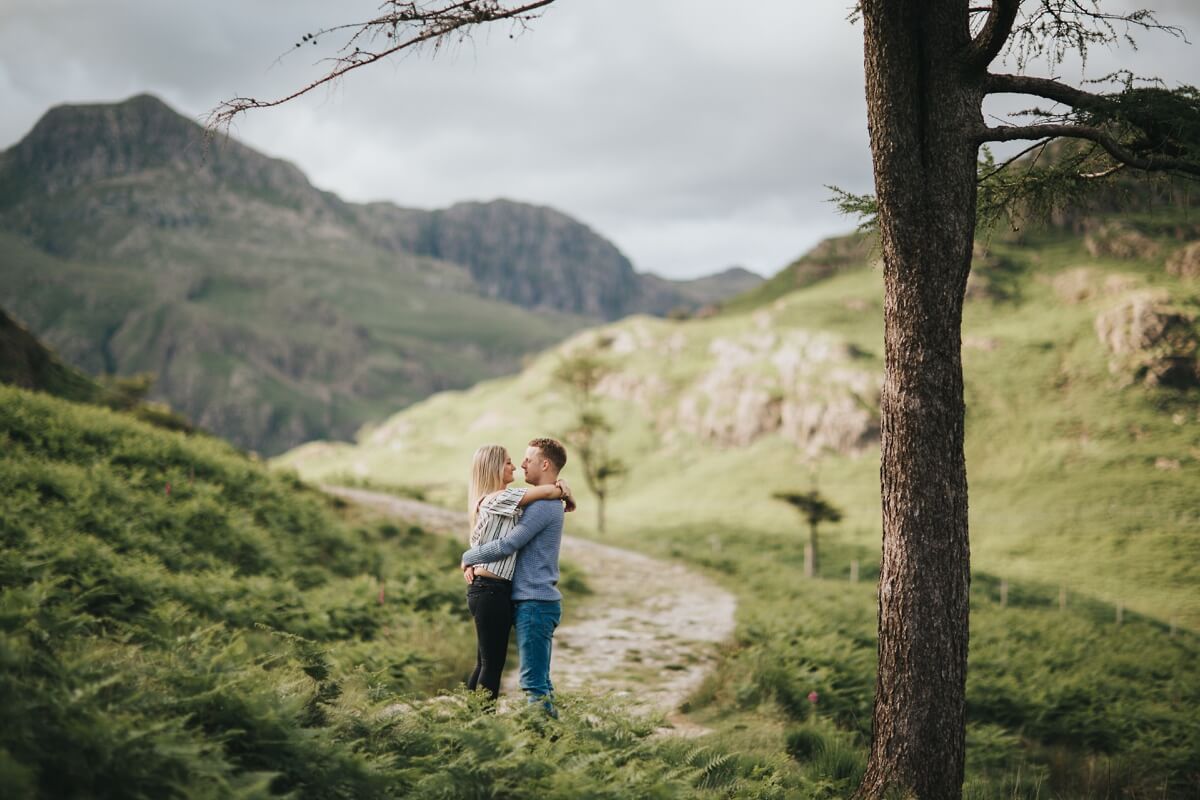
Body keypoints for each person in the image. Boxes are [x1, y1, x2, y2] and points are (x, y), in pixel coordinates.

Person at [462, 437, 570, 715]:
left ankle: (478, 725)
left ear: (544, 464)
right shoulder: (509, 500)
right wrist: (560, 490)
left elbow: (509, 544)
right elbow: (509, 542)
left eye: (525, 460)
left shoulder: (538, 504)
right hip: (494, 590)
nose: (520, 465)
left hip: (520, 597)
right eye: (511, 461)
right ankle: (479, 727)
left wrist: (469, 557)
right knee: (495, 667)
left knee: (499, 668)